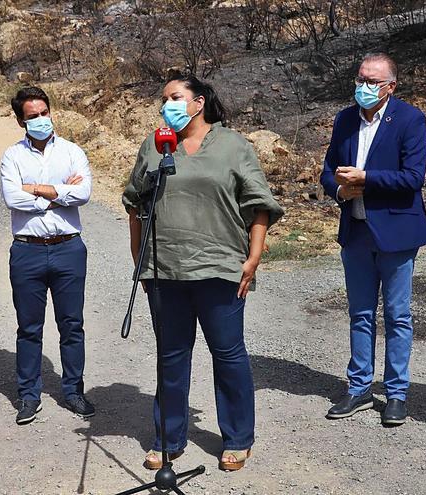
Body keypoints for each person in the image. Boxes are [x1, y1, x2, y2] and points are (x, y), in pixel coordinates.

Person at [122, 75, 283, 472]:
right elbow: (134, 202)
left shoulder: (233, 146)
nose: (167, 106)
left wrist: (253, 257)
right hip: (164, 268)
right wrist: (139, 258)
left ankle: (238, 438)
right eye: (164, 99)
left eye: (175, 97)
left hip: (220, 267)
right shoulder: (154, 144)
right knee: (171, 356)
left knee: (228, 354)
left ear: (198, 103)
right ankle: (168, 437)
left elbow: (259, 204)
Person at [319, 53, 426, 426]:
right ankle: (359, 387)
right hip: (356, 229)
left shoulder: (410, 119)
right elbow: (328, 170)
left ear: (390, 86)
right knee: (360, 313)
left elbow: (413, 177)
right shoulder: (345, 119)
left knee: (397, 315)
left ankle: (396, 393)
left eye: (372, 81)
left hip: (396, 232)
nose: (364, 87)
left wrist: (366, 178)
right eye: (360, 79)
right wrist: (340, 190)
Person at [1, 86, 94, 425]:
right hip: (27, 250)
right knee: (29, 327)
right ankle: (29, 395)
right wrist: (58, 194)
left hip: (68, 248)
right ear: (21, 121)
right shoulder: (12, 156)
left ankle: (73, 391)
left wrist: (36, 189)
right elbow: (12, 198)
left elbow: (84, 193)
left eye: (44, 113)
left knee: (72, 325)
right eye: (33, 116)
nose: (41, 120)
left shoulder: (71, 152)